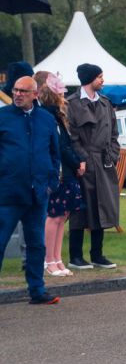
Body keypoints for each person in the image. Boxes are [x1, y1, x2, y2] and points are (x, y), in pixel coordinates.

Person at [0, 76, 62, 304]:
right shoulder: (3, 117)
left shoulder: (46, 119)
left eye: (23, 91)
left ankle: (37, 290)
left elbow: (55, 154)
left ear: (35, 94)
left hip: (38, 194)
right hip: (7, 194)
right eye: (15, 90)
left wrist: (52, 182)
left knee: (37, 244)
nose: (17, 94)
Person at [65, 64, 120, 269]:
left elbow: (114, 133)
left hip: (104, 163)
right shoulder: (72, 104)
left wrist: (113, 155)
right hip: (83, 164)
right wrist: (84, 159)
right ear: (90, 79)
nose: (102, 80)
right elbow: (72, 137)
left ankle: (97, 255)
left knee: (103, 207)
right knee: (80, 211)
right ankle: (75, 256)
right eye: (99, 77)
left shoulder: (106, 103)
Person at [39, 81, 83, 278]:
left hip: (66, 171)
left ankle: (56, 258)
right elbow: (61, 146)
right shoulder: (50, 116)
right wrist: (76, 162)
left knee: (62, 216)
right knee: (55, 215)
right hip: (59, 171)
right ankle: (49, 259)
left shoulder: (56, 115)